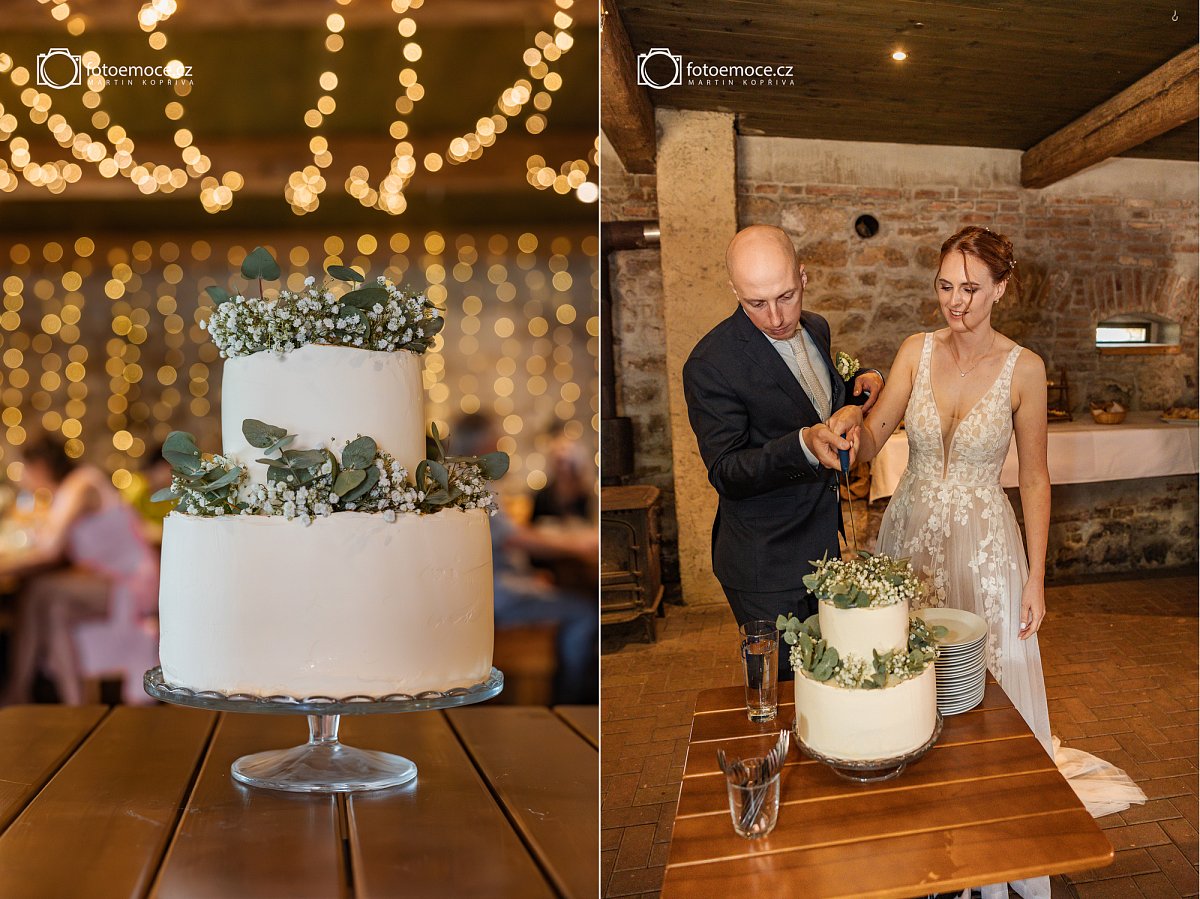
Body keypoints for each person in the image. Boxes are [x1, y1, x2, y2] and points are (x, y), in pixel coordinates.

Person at [826, 225, 1145, 899]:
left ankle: (988, 840)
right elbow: (876, 434)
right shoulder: (915, 350)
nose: (955, 302)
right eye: (945, 286)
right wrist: (850, 423)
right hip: (911, 538)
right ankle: (922, 832)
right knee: (912, 679)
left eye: (971, 289)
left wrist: (1035, 576)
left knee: (986, 691)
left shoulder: (1024, 368)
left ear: (1002, 288)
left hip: (987, 548)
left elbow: (1034, 476)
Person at [682, 225, 883, 678]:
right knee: (785, 692)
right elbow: (726, 469)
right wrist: (803, 446)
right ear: (735, 290)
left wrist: (862, 383)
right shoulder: (710, 364)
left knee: (828, 682)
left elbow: (811, 396)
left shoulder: (817, 327)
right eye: (756, 303)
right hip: (765, 564)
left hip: (822, 545)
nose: (775, 317)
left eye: (786, 296)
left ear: (803, 277)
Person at [448, 413, 598, 704]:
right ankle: (572, 701)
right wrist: (578, 546)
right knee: (584, 612)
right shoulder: (471, 486)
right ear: (481, 446)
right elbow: (514, 539)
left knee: (564, 592)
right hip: (496, 595)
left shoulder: (458, 481)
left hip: (488, 588)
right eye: (495, 441)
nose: (499, 448)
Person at [0, 436, 159, 706]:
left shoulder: (82, 484)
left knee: (37, 590)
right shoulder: (64, 494)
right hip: (109, 580)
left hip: (134, 582)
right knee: (54, 610)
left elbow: (49, 551)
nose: (23, 479)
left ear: (39, 466)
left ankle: (17, 690)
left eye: (24, 470)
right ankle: (74, 704)